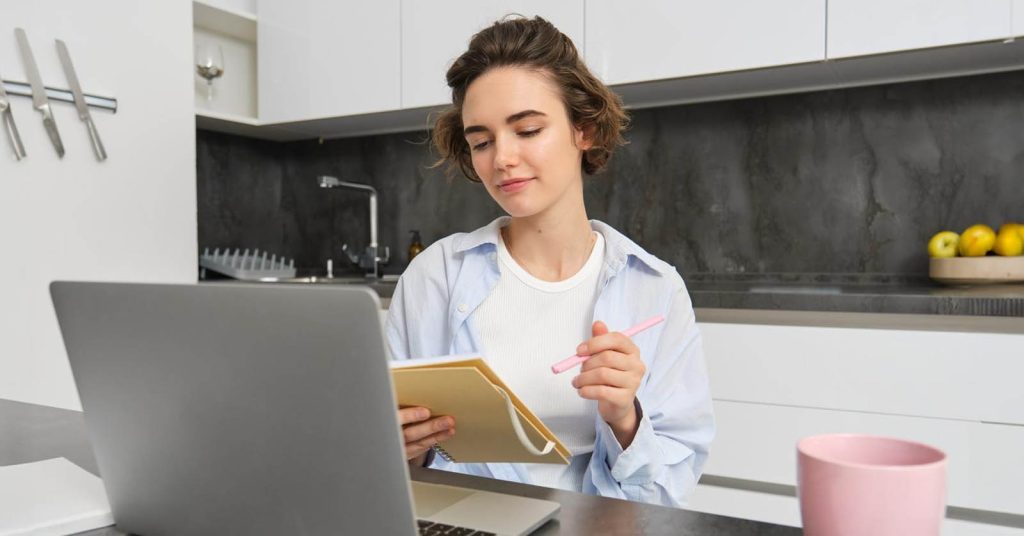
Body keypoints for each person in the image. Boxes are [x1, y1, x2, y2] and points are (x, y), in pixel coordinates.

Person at [385, 15, 714, 507]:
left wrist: (625, 418)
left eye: (528, 129)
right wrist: (402, 449)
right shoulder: (435, 276)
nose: (502, 158)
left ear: (584, 130)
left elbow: (667, 488)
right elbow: (394, 466)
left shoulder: (654, 287)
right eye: (482, 141)